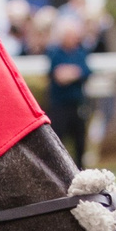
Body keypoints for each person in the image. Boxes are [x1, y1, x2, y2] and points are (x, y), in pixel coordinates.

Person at [43, 16, 91, 162]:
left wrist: (71, 73)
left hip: (76, 104)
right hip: (59, 105)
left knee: (79, 141)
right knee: (59, 138)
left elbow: (85, 71)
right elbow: (57, 75)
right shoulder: (55, 53)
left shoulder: (80, 53)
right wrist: (72, 73)